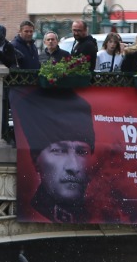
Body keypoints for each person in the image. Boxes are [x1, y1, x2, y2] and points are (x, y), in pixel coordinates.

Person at [18, 89, 95, 223]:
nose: (73, 166)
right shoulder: (31, 212)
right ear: (36, 159)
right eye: (59, 151)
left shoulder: (100, 211)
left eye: (82, 152)